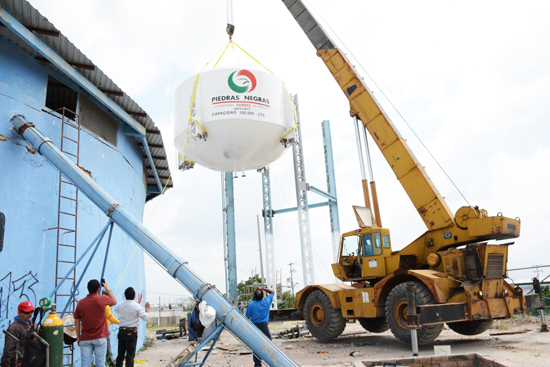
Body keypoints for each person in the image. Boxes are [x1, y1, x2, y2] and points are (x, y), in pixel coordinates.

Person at [74, 280, 117, 367]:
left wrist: (78, 337)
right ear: (98, 289)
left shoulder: (80, 303)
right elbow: (114, 301)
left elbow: (77, 321)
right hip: (100, 338)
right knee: (100, 364)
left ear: (87, 289)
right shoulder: (103, 298)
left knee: (85, 364)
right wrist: (107, 288)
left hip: (85, 338)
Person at [115, 287, 150, 367]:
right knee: (130, 356)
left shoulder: (120, 305)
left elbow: (116, 310)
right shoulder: (137, 306)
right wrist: (147, 308)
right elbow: (145, 317)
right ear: (134, 296)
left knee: (120, 355)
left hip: (121, 331)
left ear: (125, 295)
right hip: (131, 332)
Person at [1, 301, 37, 367]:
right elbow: (8, 349)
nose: (30, 314)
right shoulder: (14, 328)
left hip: (32, 361)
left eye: (31, 311)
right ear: (19, 313)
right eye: (27, 312)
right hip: (20, 363)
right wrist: (5, 365)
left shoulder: (32, 323)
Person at [245, 286, 274, 367]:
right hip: (264, 327)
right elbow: (272, 292)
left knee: (256, 346)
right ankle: (272, 362)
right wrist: (262, 288)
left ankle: (257, 364)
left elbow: (247, 317)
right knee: (269, 345)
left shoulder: (251, 305)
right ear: (262, 296)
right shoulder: (266, 301)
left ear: (254, 296)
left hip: (254, 327)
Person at [103, 290, 120, 367]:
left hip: (101, 330)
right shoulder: (106, 307)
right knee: (107, 349)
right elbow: (111, 318)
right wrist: (120, 322)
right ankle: (111, 364)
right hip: (104, 331)